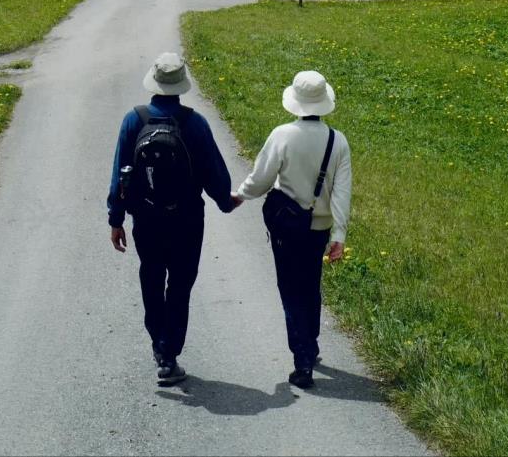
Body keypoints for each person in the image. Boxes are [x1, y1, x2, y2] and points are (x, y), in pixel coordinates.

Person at [108, 50, 238, 385]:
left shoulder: (133, 120)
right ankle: (170, 353)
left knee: (151, 277)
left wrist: (116, 219)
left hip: (147, 219)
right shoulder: (194, 123)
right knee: (180, 285)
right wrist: (226, 201)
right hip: (187, 221)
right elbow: (215, 176)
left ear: (153, 82)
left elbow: (119, 174)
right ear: (181, 86)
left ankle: (158, 343)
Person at [234, 68, 351, 389]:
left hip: (287, 226)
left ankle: (302, 361)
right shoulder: (337, 141)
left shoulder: (282, 135)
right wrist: (339, 236)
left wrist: (239, 195)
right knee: (310, 286)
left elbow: (260, 179)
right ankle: (309, 346)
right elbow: (342, 192)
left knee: (290, 290)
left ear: (295, 103)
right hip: (319, 228)